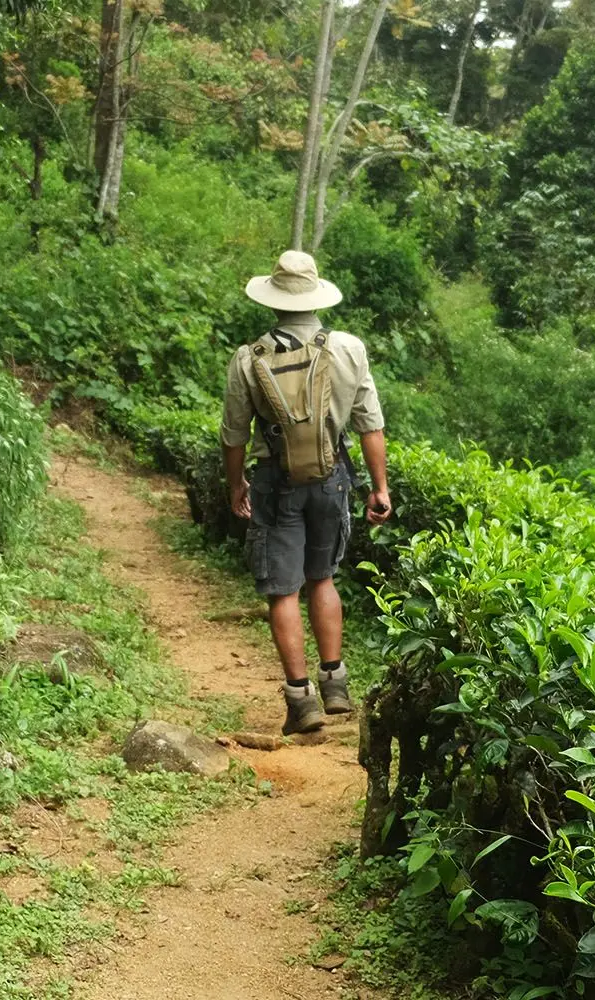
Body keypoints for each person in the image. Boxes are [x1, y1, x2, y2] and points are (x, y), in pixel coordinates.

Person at [220, 249, 391, 735]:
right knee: (323, 578)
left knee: (282, 589)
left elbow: (233, 435)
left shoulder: (248, 359)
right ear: (316, 295)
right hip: (331, 477)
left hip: (276, 482)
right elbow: (370, 426)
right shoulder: (348, 349)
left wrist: (237, 486)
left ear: (272, 299)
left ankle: (301, 703)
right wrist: (379, 488)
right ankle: (334, 683)